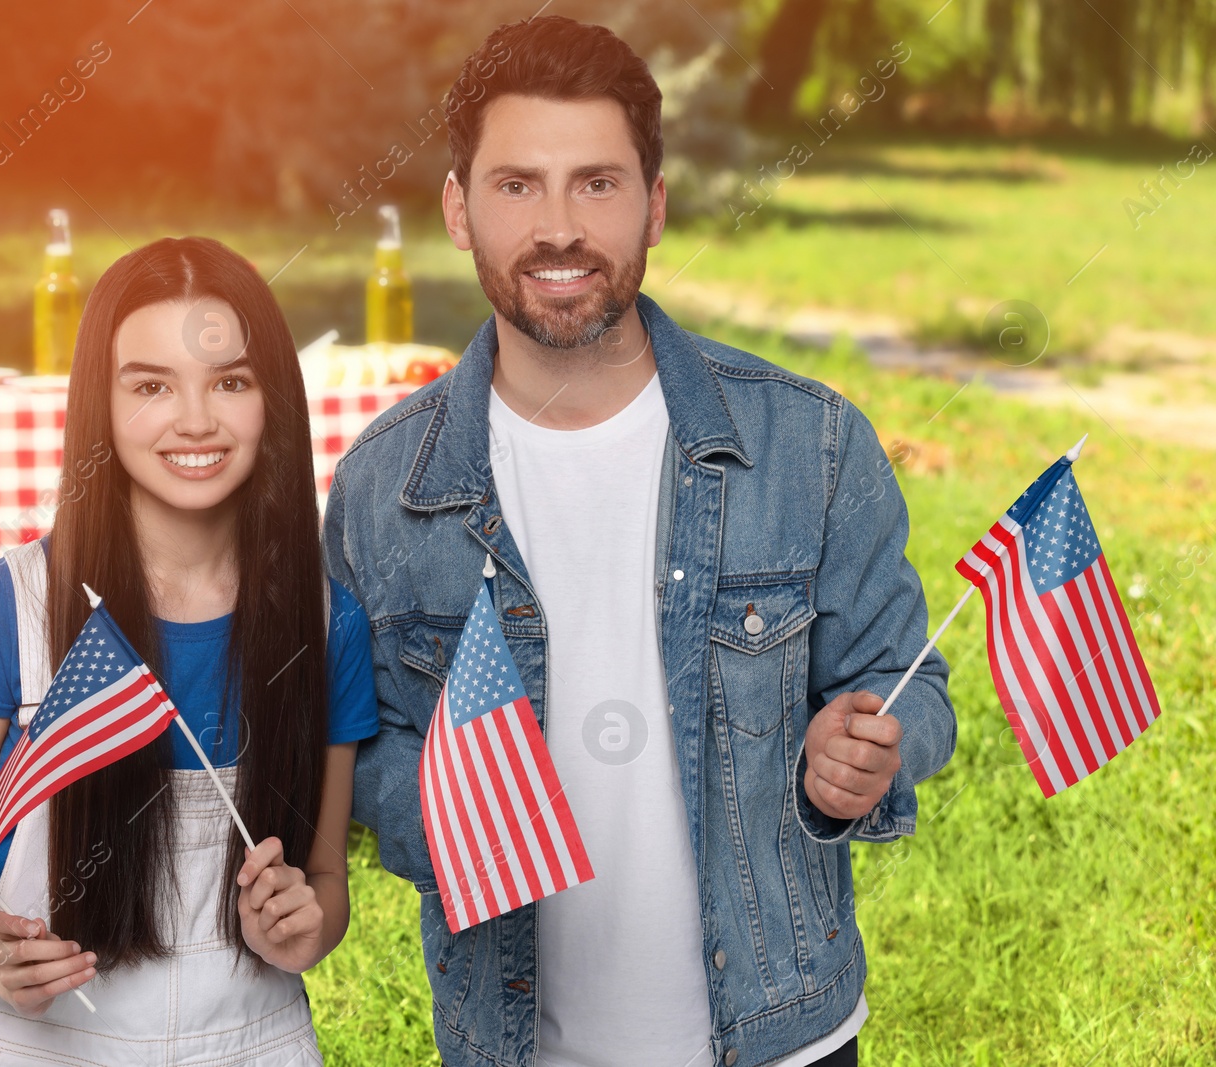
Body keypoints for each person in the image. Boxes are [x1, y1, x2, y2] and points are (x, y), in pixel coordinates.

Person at [324, 16, 956, 1067]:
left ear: (655, 206)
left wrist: (869, 750)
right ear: (456, 208)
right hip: (513, 1041)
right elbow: (353, 740)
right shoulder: (383, 483)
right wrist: (449, 811)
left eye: (598, 184)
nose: (559, 227)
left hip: (780, 1034)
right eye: (517, 184)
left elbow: (908, 685)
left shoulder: (811, 443)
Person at [0, 236, 379, 1065]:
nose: (195, 419)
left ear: (274, 396)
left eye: (230, 381)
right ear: (101, 403)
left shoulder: (325, 621)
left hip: (249, 1039)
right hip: (30, 1042)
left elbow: (325, 879)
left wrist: (307, 927)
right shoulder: (11, 605)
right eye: (151, 386)